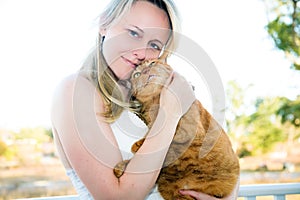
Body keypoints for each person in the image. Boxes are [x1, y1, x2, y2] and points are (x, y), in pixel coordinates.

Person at [51, 0, 239, 199]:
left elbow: (221, 155)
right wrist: (171, 114)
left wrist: (228, 197)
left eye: (154, 45)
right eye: (133, 33)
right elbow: (119, 197)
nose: (141, 53)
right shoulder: (74, 91)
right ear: (104, 24)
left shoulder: (155, 95)